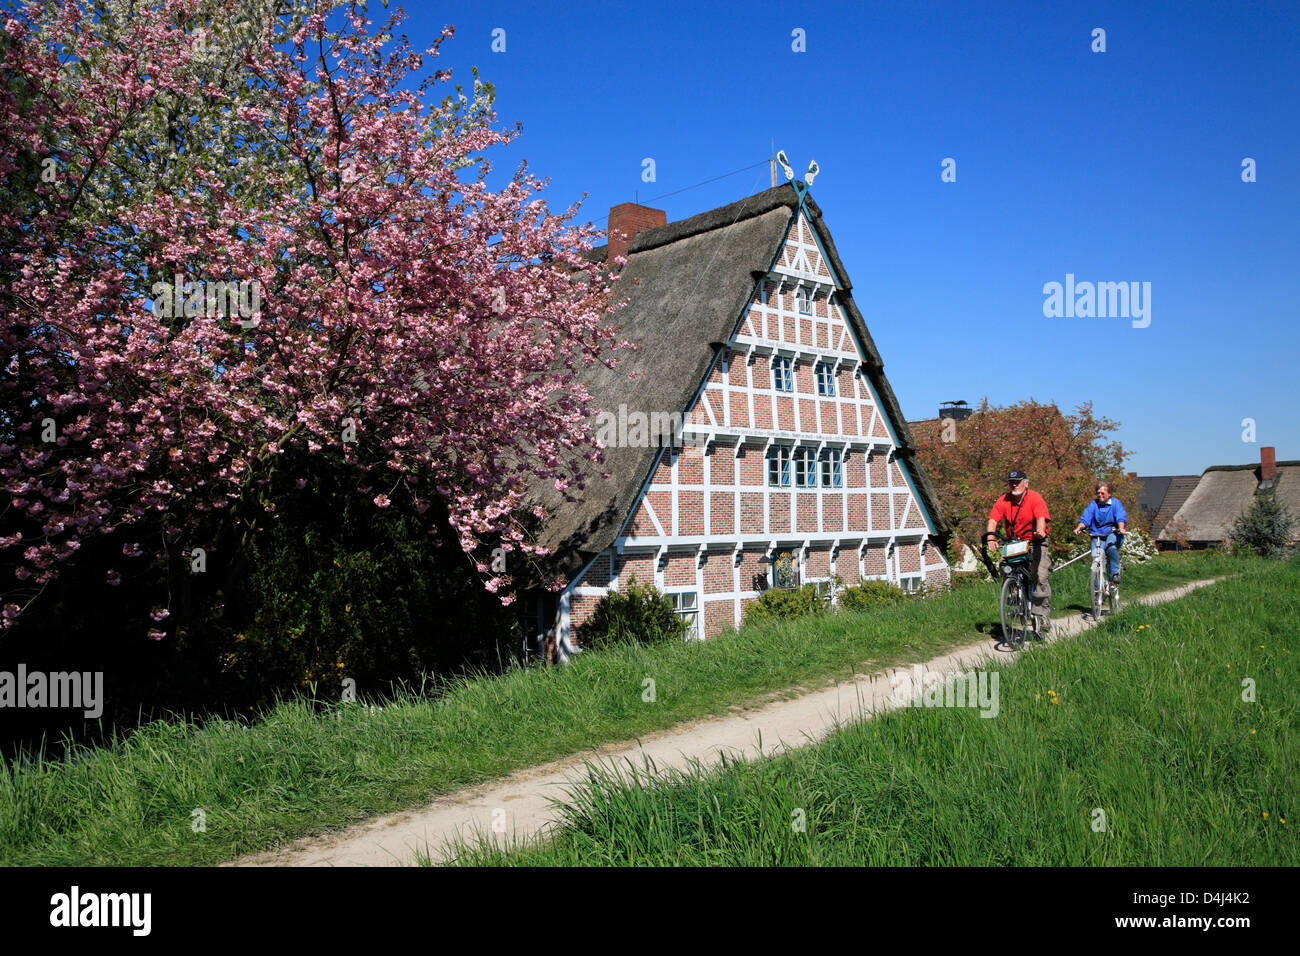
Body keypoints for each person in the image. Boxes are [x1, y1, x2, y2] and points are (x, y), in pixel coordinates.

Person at [984, 469, 1052, 632]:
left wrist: (1040, 530)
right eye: (1011, 482)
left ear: (1026, 483)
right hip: (1014, 543)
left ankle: (1042, 615)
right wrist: (990, 538)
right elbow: (993, 519)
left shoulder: (1035, 498)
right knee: (1005, 567)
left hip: (1035, 541)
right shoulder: (1003, 500)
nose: (1014, 485)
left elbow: (1041, 518)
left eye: (1018, 482)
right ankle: (1014, 589)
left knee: (1040, 575)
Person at [1074, 482, 1127, 584]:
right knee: (1096, 558)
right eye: (1098, 493)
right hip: (1096, 535)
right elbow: (1086, 518)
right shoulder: (1093, 504)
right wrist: (1079, 528)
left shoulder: (1115, 503)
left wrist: (1121, 528)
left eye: (1103, 493)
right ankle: (1097, 591)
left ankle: (1115, 573)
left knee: (1110, 547)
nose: (1100, 495)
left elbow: (1120, 517)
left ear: (1109, 493)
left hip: (1112, 533)